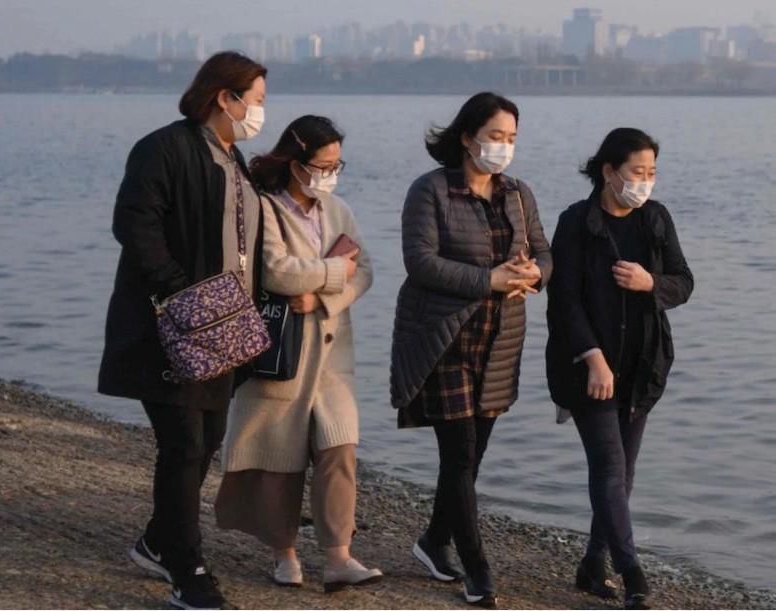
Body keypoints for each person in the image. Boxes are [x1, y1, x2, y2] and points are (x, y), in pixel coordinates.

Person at [98, 51, 267, 610]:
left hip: (222, 329)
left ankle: (157, 540)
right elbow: (134, 222)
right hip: (170, 325)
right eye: (257, 101)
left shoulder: (233, 156)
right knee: (183, 444)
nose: (259, 112)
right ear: (226, 97)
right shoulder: (165, 147)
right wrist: (177, 290)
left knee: (210, 438)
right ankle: (187, 569)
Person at [390, 92, 552, 608]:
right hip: (443, 338)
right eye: (495, 136)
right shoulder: (431, 190)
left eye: (511, 139)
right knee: (458, 454)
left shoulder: (518, 193)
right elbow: (420, 261)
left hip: (500, 340)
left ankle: (434, 541)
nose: (503, 148)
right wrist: (489, 278)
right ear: (467, 136)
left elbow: (545, 252)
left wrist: (535, 273)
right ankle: (477, 570)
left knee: (473, 456)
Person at [215, 115, 382, 593]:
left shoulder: (339, 210)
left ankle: (338, 557)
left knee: (339, 449)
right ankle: (283, 553)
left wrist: (322, 297)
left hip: (332, 359)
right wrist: (333, 272)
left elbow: (365, 271)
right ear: (295, 162)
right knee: (278, 461)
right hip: (280, 356)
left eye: (336, 164)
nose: (330, 174)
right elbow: (276, 272)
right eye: (322, 165)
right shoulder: (265, 209)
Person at [545, 127, 693, 610]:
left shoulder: (656, 219)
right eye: (636, 172)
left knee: (622, 475)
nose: (645, 182)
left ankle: (592, 563)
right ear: (609, 172)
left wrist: (652, 283)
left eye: (652, 172)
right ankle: (634, 575)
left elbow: (683, 282)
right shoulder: (576, 222)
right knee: (609, 468)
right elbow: (564, 301)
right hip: (589, 367)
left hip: (642, 367)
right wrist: (592, 358)